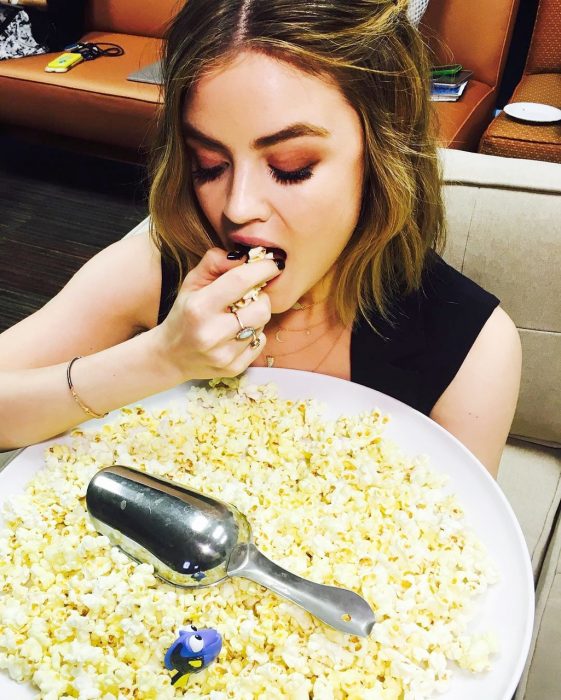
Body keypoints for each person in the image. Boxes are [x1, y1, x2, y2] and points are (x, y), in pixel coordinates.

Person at [0, 0, 521, 478]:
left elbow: (455, 549)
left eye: (291, 168)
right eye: (210, 165)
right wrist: (160, 358)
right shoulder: (158, 265)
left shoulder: (471, 346)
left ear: (383, 155)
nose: (236, 207)